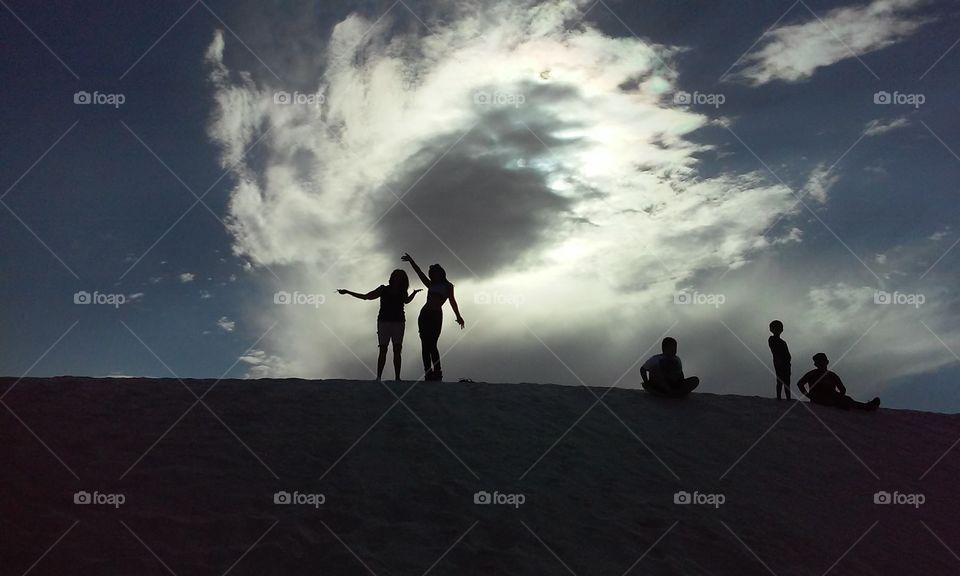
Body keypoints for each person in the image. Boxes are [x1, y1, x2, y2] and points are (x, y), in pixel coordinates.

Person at [338, 270, 421, 381]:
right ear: (392, 278)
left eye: (400, 277)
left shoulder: (402, 291)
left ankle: (397, 377)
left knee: (397, 350)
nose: (397, 279)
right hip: (384, 322)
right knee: (383, 349)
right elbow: (366, 296)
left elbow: (406, 301)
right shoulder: (383, 289)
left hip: (398, 322)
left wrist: (414, 294)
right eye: (396, 276)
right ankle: (379, 377)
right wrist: (348, 292)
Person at [401, 252, 465, 381]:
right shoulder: (430, 284)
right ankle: (428, 373)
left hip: (436, 316)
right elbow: (419, 273)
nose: (433, 275)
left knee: (433, 345)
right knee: (425, 345)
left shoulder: (448, 286)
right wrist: (411, 261)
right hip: (425, 315)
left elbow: (452, 301)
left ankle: (437, 372)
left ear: (441, 273)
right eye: (432, 273)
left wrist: (458, 316)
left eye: (435, 272)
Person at [796, 353, 880, 411]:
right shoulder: (812, 373)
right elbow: (800, 384)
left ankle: (867, 407)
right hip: (819, 398)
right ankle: (842, 404)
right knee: (837, 402)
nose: (821, 364)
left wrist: (839, 396)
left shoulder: (832, 375)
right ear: (816, 364)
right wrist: (810, 396)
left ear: (827, 362)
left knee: (847, 400)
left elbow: (842, 389)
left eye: (822, 361)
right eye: (819, 362)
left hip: (832, 396)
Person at [768, 320, 792, 400]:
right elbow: (775, 350)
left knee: (787, 381)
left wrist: (788, 360)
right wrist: (780, 360)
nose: (778, 330)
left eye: (780, 328)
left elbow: (787, 353)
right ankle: (779, 397)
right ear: (772, 329)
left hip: (786, 363)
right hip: (779, 361)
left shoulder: (783, 342)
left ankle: (788, 397)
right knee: (780, 380)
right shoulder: (772, 339)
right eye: (776, 328)